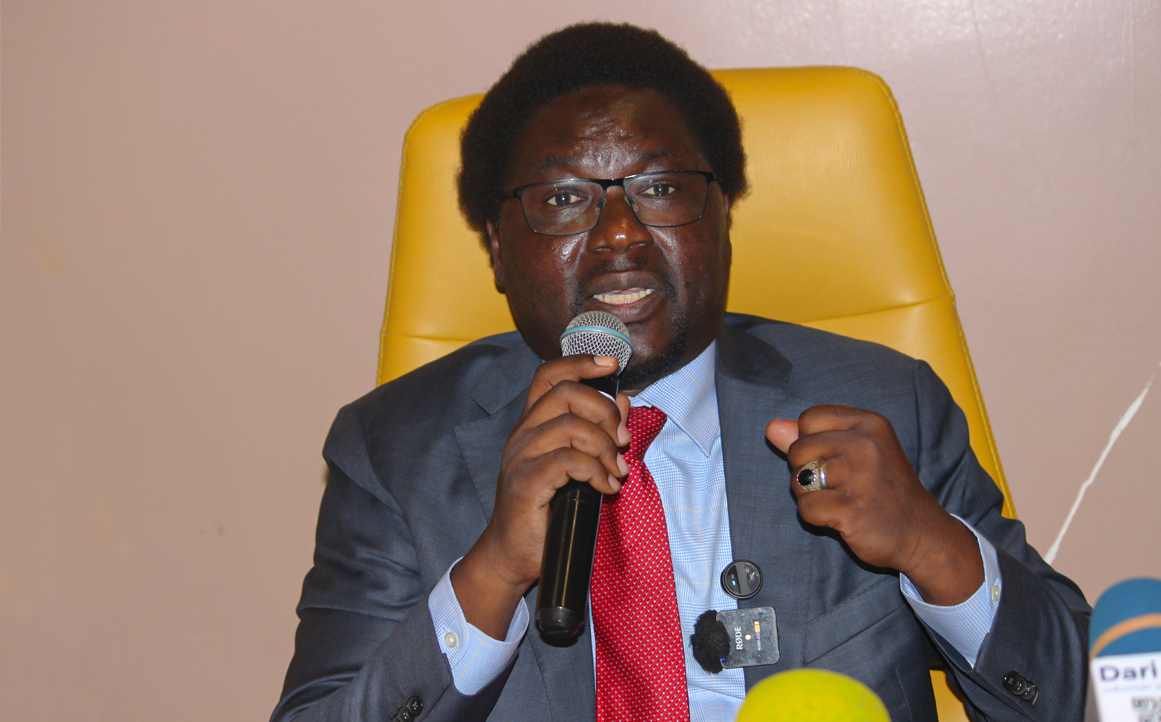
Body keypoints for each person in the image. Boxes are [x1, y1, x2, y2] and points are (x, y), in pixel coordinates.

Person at [272, 22, 1089, 722]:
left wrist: (929, 545)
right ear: (495, 244)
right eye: (563, 199)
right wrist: (492, 571)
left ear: (722, 215)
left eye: (660, 188)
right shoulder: (395, 449)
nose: (619, 233)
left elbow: (1074, 696)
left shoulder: (884, 404)